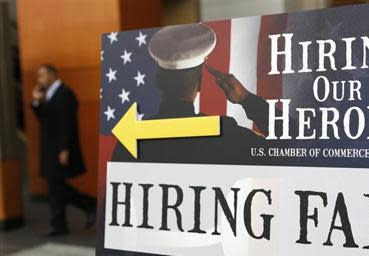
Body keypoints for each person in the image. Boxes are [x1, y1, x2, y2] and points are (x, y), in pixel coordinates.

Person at [112, 24, 293, 164]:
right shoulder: (223, 136)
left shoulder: (131, 141)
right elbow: (294, 150)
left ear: (158, 82)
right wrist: (247, 100)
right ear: (200, 83)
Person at [31, 64, 96, 237]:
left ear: (52, 75)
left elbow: (68, 123)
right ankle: (61, 223)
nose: (39, 80)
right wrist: (37, 101)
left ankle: (88, 204)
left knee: (54, 185)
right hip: (50, 148)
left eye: (41, 75)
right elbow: (44, 120)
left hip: (59, 148)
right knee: (54, 186)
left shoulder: (65, 93)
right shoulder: (49, 94)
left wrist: (64, 148)